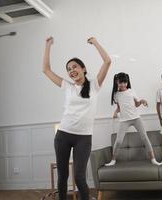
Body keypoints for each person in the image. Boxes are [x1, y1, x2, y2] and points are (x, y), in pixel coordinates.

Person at [43, 36, 111, 200]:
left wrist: (95, 43)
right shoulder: (67, 86)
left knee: (80, 177)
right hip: (63, 135)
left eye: (74, 67)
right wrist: (48, 46)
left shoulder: (94, 85)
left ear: (83, 69)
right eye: (68, 69)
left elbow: (107, 61)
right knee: (62, 176)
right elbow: (46, 69)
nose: (71, 71)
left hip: (83, 138)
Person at [105, 72, 161, 166]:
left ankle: (153, 159)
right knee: (118, 141)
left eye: (125, 82)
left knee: (145, 137)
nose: (123, 84)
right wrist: (115, 112)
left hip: (136, 118)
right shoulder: (116, 95)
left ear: (127, 82)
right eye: (120, 82)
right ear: (116, 83)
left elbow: (136, 104)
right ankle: (113, 160)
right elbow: (119, 107)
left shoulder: (131, 91)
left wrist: (142, 101)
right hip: (124, 120)